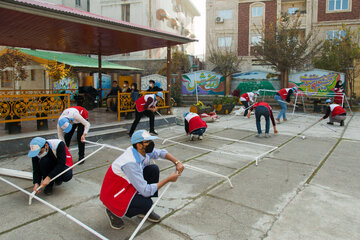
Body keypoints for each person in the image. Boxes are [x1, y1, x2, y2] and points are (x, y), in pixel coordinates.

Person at [100, 130, 183, 229]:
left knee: (153, 169)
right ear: (139, 145)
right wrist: (169, 179)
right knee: (147, 204)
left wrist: (177, 162)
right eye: (147, 142)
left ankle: (142, 210)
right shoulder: (130, 163)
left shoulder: (142, 151)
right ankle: (112, 210)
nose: (151, 144)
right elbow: (146, 191)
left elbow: (160, 153)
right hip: (115, 193)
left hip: (127, 185)